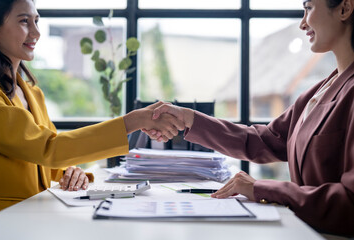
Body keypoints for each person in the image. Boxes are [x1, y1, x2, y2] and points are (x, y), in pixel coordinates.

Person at [147, 0, 354, 236]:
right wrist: (189, 118)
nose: (302, 23)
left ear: (345, 8)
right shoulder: (320, 89)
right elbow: (264, 140)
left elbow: (349, 203)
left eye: (308, 8)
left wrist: (261, 188)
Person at [0, 0, 184, 212]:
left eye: (36, 21)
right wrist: (133, 121)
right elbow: (50, 149)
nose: (36, 32)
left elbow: (44, 159)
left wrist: (68, 172)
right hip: (2, 219)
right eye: (24, 21)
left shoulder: (33, 94)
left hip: (34, 214)